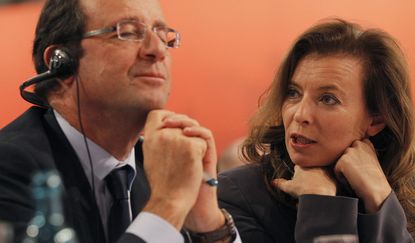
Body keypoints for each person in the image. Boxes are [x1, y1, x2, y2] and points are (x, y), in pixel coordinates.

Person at [0, 0, 241, 243]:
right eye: (127, 32)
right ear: (62, 62)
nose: (157, 50)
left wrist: (208, 222)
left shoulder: (160, 165)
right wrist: (168, 205)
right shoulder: (9, 166)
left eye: (163, 35)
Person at [217, 19, 415, 243]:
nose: (300, 115)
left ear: (376, 119)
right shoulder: (238, 193)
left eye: (327, 99)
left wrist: (379, 197)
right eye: (293, 93)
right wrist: (320, 204)